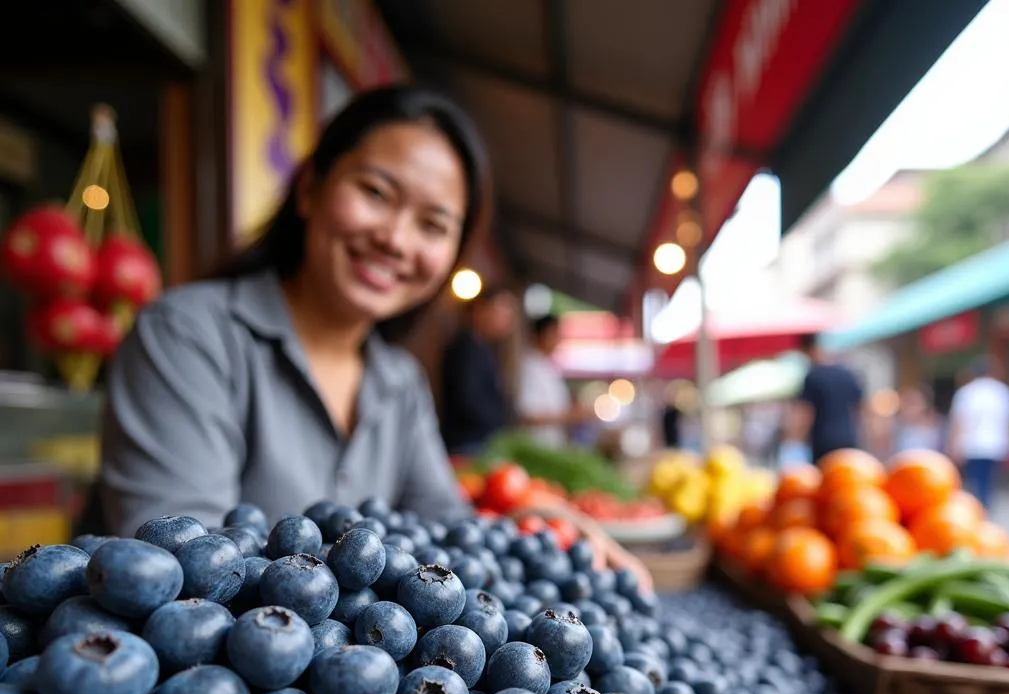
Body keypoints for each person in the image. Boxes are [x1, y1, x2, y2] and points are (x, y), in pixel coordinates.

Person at [96, 85, 650, 583]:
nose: (396, 239)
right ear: (311, 188)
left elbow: (445, 528)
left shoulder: (398, 381)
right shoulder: (188, 336)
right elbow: (181, 568)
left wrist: (540, 529)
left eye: (432, 225)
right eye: (376, 193)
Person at [439, 285, 516, 455]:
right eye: (502, 313)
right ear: (480, 310)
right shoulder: (466, 349)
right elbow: (469, 401)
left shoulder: (484, 349)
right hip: (466, 444)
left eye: (510, 316)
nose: (507, 322)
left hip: (480, 442)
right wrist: (502, 421)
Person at [948, 357, 1009, 510]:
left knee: (975, 479)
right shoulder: (1002, 391)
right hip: (997, 444)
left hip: (972, 444)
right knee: (989, 480)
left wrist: (954, 443)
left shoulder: (966, 392)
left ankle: (978, 507)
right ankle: (985, 506)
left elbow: (959, 420)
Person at [515, 314, 586, 447]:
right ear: (538, 335)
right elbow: (528, 414)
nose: (557, 340)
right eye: (553, 334)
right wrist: (569, 415)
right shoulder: (529, 367)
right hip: (536, 446)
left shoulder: (546, 366)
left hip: (551, 445)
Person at [793, 334, 864, 464]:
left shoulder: (813, 377)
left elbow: (806, 413)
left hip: (822, 441)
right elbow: (859, 407)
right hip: (848, 438)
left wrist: (797, 441)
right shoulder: (846, 373)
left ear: (810, 350)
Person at [892, 384, 942, 454]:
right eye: (908, 404)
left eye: (914, 404)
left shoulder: (934, 428)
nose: (911, 409)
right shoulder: (895, 427)